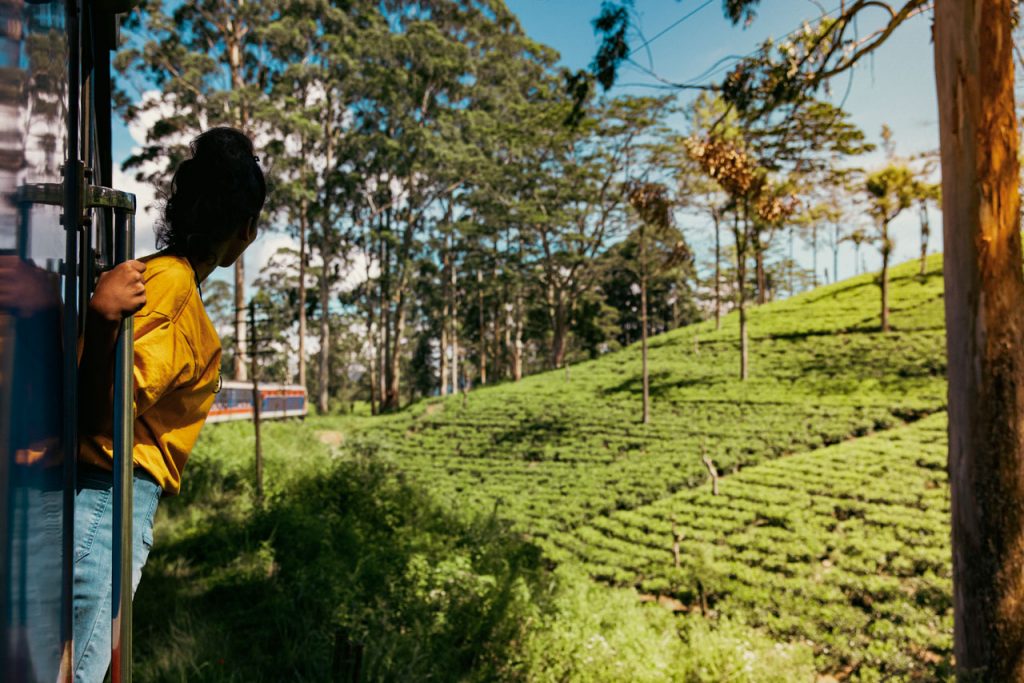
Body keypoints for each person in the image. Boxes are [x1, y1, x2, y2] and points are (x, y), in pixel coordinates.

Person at [74, 127, 265, 682]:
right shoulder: (174, 291)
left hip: (102, 496)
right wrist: (106, 322)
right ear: (245, 231)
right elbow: (104, 411)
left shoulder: (158, 275)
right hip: (107, 498)